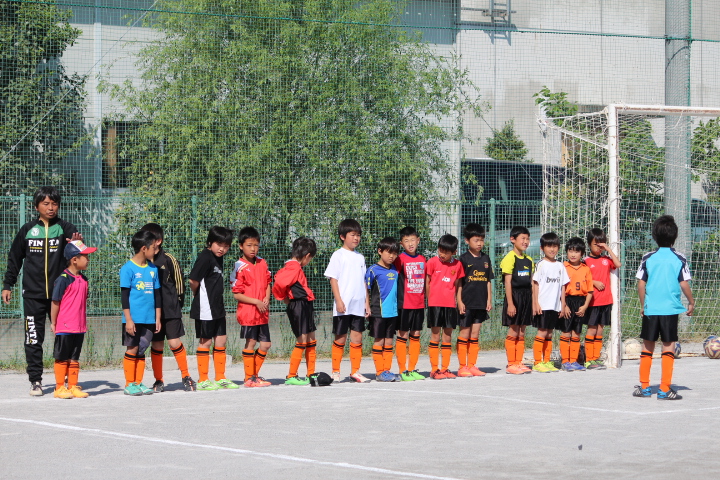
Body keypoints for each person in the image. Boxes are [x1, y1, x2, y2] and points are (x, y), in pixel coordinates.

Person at [2, 186, 82, 396]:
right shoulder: (27, 230)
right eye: (46, 204)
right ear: (37, 206)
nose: (51, 208)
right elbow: (14, 258)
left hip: (61, 296)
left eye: (54, 204)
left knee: (64, 337)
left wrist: (77, 245)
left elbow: (79, 259)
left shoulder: (66, 229)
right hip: (33, 295)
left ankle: (64, 380)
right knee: (33, 338)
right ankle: (35, 380)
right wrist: (8, 284)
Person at [634, 215, 694, 400]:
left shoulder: (648, 257)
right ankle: (664, 389)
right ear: (675, 236)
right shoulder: (680, 258)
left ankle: (644, 387)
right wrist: (691, 302)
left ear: (654, 236)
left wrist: (643, 305)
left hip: (651, 309)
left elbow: (641, 284)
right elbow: (684, 283)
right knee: (668, 346)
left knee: (647, 346)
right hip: (670, 310)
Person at [139, 223, 196, 392]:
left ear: (158, 241)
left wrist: (177, 305)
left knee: (174, 342)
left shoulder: (169, 259)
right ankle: (158, 380)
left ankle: (186, 376)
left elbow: (179, 284)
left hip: (171, 310)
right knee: (157, 345)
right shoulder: (142, 261)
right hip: (151, 312)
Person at [189, 226, 236, 391]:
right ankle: (203, 379)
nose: (222, 249)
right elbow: (193, 280)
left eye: (226, 246)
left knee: (221, 339)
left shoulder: (218, 258)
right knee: (206, 341)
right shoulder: (205, 257)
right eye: (219, 244)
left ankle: (220, 377)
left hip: (217, 306)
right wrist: (197, 295)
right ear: (210, 242)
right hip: (205, 306)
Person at [324, 219, 371, 383]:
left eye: (358, 235)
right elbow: (333, 279)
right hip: (343, 305)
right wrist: (338, 300)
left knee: (357, 338)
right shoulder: (338, 255)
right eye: (352, 235)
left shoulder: (360, 257)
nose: (356, 238)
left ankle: (355, 372)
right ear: (343, 236)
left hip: (358, 305)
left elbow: (364, 281)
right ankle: (335, 371)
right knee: (340, 338)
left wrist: (366, 302)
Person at [50, 240, 97, 399]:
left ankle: (72, 386)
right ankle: (59, 388)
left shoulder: (84, 279)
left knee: (74, 358)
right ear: (74, 259)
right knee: (62, 357)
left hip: (79, 326)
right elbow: (55, 302)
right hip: (65, 326)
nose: (88, 260)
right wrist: (54, 322)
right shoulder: (63, 279)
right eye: (85, 256)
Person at [272, 237, 318, 386]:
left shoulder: (294, 267)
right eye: (310, 259)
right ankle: (291, 375)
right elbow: (279, 282)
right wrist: (284, 298)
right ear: (307, 256)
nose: (309, 261)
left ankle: (311, 373)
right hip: (298, 305)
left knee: (311, 339)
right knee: (302, 340)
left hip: (305, 304)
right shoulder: (294, 267)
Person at [120, 230, 161, 396]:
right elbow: (124, 297)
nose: (156, 251)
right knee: (132, 348)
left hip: (149, 318)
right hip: (133, 318)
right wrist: (128, 319)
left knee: (142, 349)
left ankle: (138, 382)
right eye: (154, 248)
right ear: (144, 248)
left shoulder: (153, 269)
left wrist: (158, 317)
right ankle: (129, 383)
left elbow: (157, 295)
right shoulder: (127, 268)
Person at [232, 227, 272, 388]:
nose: (253, 249)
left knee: (266, 344)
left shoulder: (262, 262)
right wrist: (256, 302)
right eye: (249, 245)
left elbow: (268, 282)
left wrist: (266, 297)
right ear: (241, 246)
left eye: (256, 245)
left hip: (262, 313)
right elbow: (237, 294)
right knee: (251, 343)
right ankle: (250, 377)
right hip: (249, 313)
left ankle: (253, 375)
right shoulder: (239, 266)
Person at [456, 223, 494, 377]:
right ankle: (462, 367)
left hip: (480, 302)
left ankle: (472, 365)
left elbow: (488, 280)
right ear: (467, 241)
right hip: (467, 302)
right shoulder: (463, 259)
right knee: (464, 333)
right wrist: (459, 301)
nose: (479, 243)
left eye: (481, 240)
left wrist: (489, 299)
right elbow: (459, 282)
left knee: (475, 334)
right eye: (476, 240)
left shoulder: (486, 258)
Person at [426, 234, 465, 379]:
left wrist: (459, 301)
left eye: (446, 252)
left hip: (450, 305)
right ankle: (434, 369)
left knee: (447, 336)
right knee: (435, 335)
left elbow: (458, 285)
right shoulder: (432, 262)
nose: (442, 254)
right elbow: (427, 282)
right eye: (440, 250)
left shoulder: (458, 265)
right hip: (435, 304)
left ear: (454, 252)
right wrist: (430, 300)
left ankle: (445, 368)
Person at [583, 228, 621, 369]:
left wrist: (608, 249)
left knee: (600, 330)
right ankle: (588, 359)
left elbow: (618, 264)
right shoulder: (585, 261)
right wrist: (593, 282)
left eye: (601, 244)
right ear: (589, 244)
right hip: (593, 301)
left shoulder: (606, 259)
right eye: (595, 244)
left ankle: (596, 358)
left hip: (606, 300)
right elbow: (581, 278)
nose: (598, 248)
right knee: (592, 329)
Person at [531, 232, 569, 373]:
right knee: (542, 332)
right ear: (542, 248)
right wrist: (535, 303)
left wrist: (562, 304)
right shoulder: (541, 264)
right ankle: (537, 362)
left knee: (549, 333)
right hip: (543, 305)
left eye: (555, 246)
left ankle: (546, 361)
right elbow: (535, 284)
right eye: (549, 246)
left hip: (554, 306)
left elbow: (563, 286)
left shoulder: (560, 266)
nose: (552, 249)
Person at [366, 237, 400, 382]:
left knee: (389, 342)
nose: (392, 256)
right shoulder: (373, 270)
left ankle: (387, 370)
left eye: (395, 253)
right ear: (380, 251)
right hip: (378, 312)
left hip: (393, 312)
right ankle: (380, 372)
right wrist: (367, 306)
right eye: (389, 252)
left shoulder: (395, 269)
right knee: (379, 341)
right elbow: (366, 289)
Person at [393, 226, 426, 381]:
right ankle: (402, 370)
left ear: (418, 240)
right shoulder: (399, 259)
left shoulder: (423, 259)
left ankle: (412, 369)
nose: (410, 243)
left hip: (419, 304)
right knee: (402, 335)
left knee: (416, 335)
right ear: (401, 244)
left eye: (413, 240)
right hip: (404, 304)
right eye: (406, 241)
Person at [500, 226, 534, 375]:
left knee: (522, 330)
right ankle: (511, 363)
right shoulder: (509, 258)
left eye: (527, 239)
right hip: (514, 296)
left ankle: (519, 362)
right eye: (522, 238)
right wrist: (511, 303)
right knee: (514, 329)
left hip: (526, 297)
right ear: (513, 239)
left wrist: (533, 302)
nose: (525, 242)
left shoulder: (529, 260)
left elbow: (531, 282)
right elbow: (507, 282)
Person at [559, 237, 593, 372]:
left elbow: (590, 290)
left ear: (582, 254)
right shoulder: (563, 267)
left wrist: (585, 306)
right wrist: (564, 305)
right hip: (567, 300)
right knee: (566, 332)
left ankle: (574, 360)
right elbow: (559, 288)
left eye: (576, 251)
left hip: (580, 302)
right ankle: (565, 361)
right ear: (566, 252)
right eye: (570, 251)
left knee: (576, 332)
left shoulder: (586, 269)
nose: (573, 254)